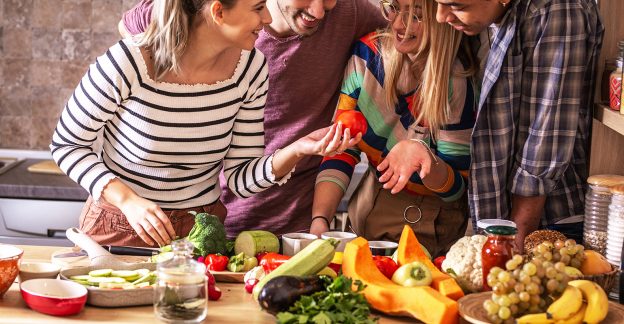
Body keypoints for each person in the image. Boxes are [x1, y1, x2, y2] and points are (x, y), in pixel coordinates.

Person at [51, 0, 359, 247]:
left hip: (199, 234)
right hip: (119, 227)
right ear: (218, 12)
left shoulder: (251, 69)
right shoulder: (128, 62)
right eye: (257, 7)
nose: (267, 17)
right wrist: (128, 200)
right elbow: (67, 145)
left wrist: (297, 149)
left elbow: (239, 177)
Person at [121, 0, 387, 239]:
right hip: (211, 218)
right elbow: (131, 34)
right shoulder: (216, 15)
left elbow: (406, 39)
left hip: (299, 226)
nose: (319, 11)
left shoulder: (350, 13)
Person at [310, 0, 478, 257]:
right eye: (395, 8)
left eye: (416, 16)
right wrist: (320, 218)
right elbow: (341, 149)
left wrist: (424, 158)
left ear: (443, 20)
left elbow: (456, 189)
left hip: (424, 224)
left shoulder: (455, 84)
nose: (398, 23)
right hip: (364, 211)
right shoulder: (367, 56)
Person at [434, 0, 604, 251]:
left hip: (548, 223)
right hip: (507, 223)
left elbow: (544, 139)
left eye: (456, 5)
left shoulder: (555, 9)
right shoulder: (496, 13)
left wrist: (515, 246)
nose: (440, 17)